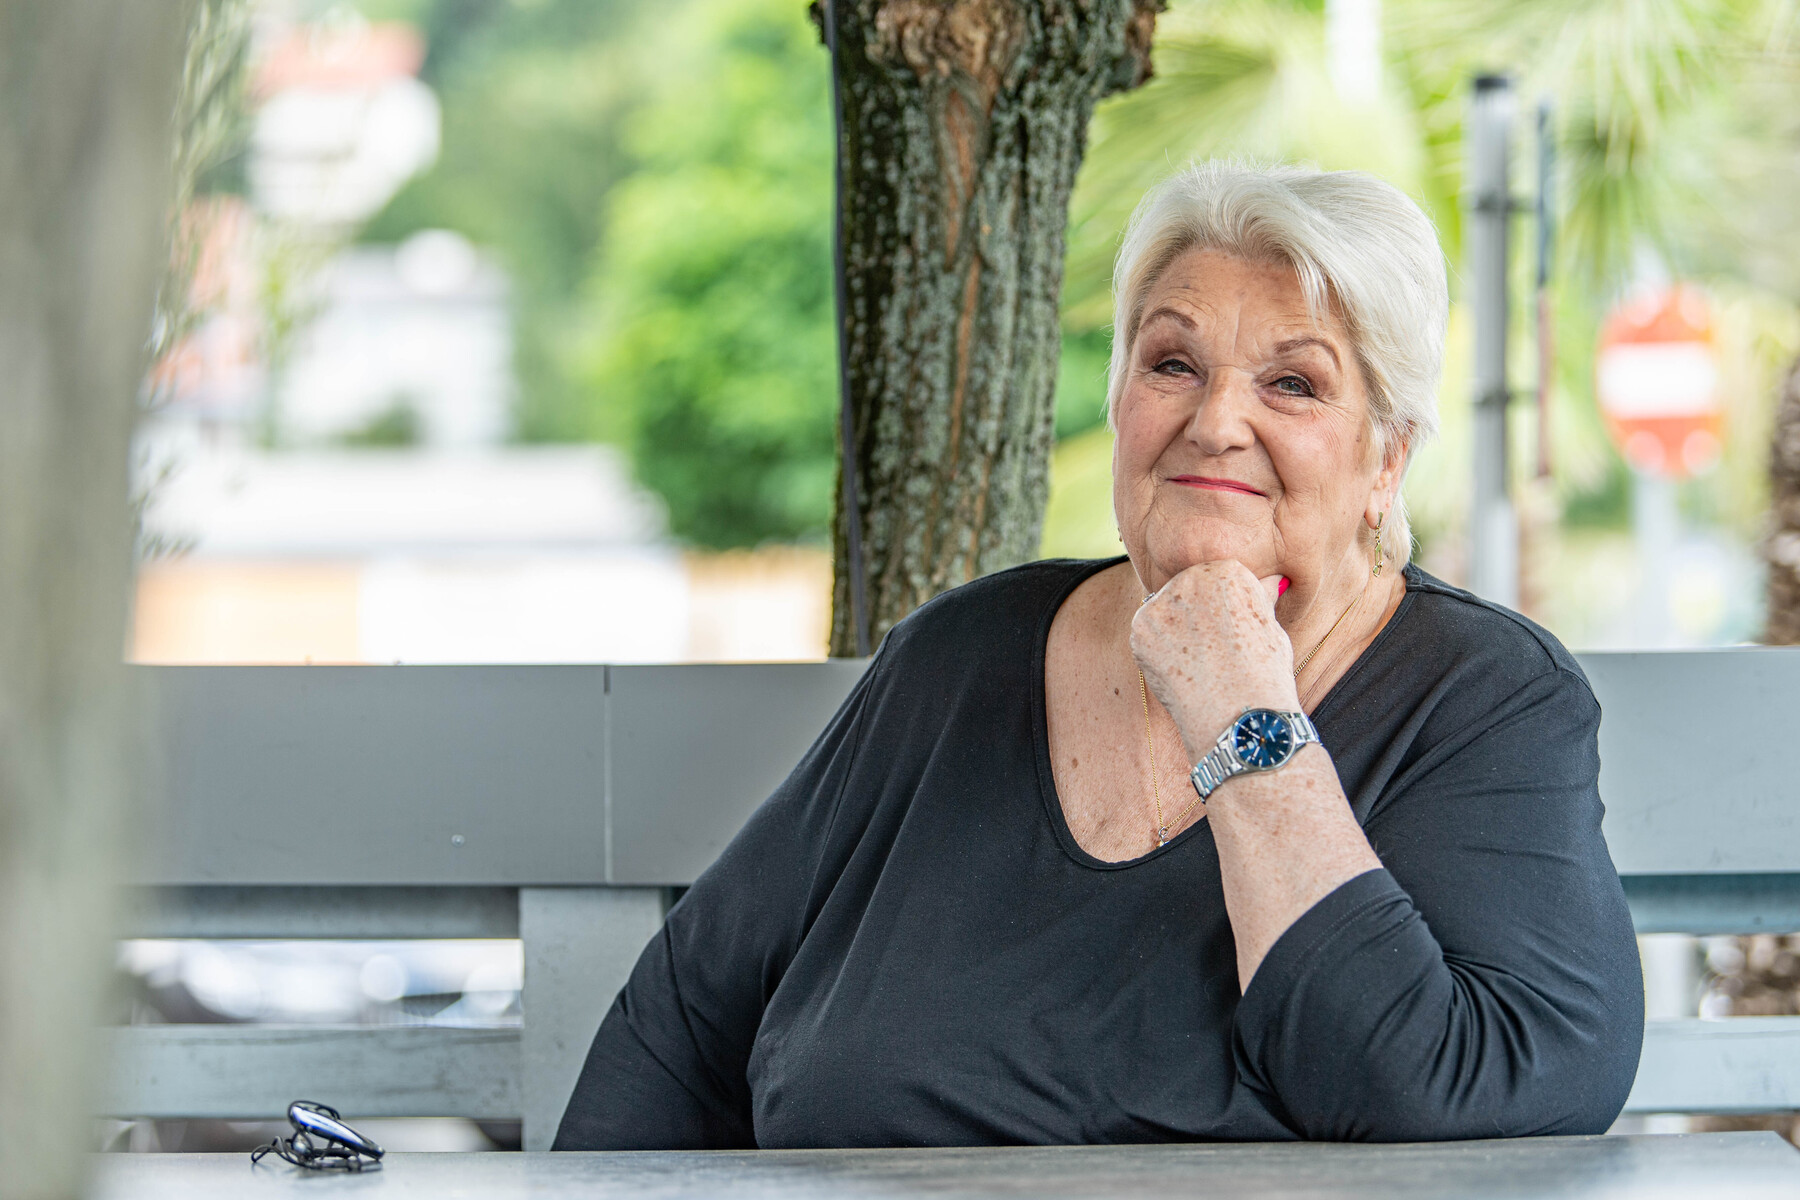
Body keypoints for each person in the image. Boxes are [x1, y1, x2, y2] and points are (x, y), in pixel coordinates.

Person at [554, 161, 1645, 1149]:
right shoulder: (961, 658)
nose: (1217, 422)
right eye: (1173, 362)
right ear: (1122, 399)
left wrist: (1240, 712)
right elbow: (682, 1023)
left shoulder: (1485, 701)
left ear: (1385, 461)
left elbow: (1455, 1089)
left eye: (1294, 384)